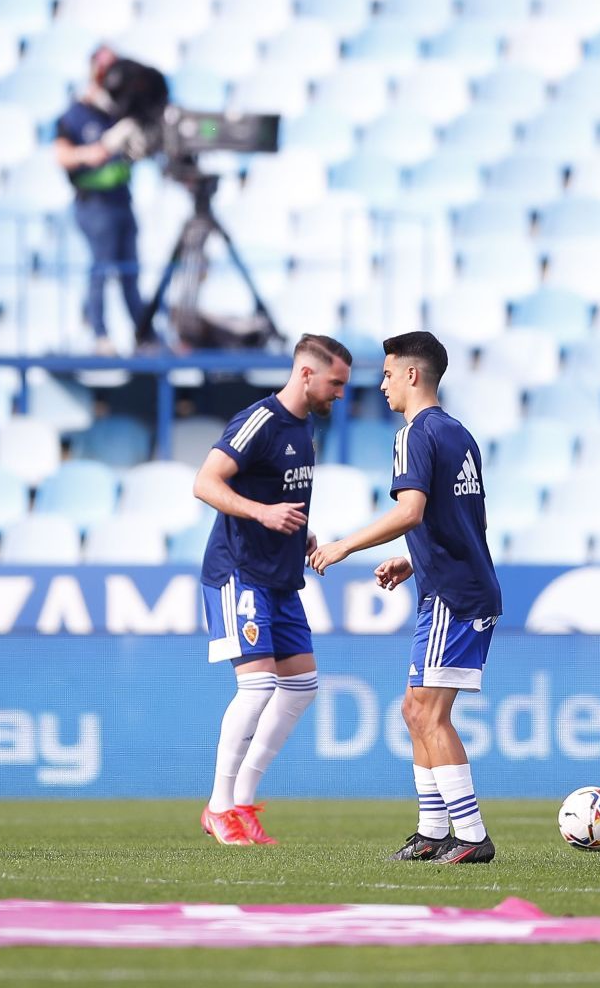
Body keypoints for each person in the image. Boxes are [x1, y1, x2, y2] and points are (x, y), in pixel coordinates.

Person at [311, 331, 500, 865]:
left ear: (413, 375)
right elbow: (465, 522)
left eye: (389, 373)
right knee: (415, 710)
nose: (384, 383)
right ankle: (433, 831)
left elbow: (411, 510)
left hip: (453, 595)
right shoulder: (459, 434)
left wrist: (345, 544)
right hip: (456, 582)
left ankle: (470, 836)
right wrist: (414, 559)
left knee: (429, 713)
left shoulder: (414, 434)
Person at [192, 333, 353, 846]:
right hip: (240, 572)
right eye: (336, 383)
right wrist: (262, 513)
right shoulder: (260, 420)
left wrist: (298, 533)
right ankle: (218, 808)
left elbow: (277, 491)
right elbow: (206, 482)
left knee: (302, 687)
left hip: (281, 576)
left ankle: (242, 801)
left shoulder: (305, 429)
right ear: (307, 374)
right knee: (258, 686)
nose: (340, 394)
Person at [51, 46, 159, 354]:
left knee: (130, 272)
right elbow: (62, 156)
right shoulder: (76, 114)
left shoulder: (121, 111)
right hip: (94, 204)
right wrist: (99, 150)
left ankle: (143, 335)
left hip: (122, 201)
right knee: (102, 268)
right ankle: (100, 334)